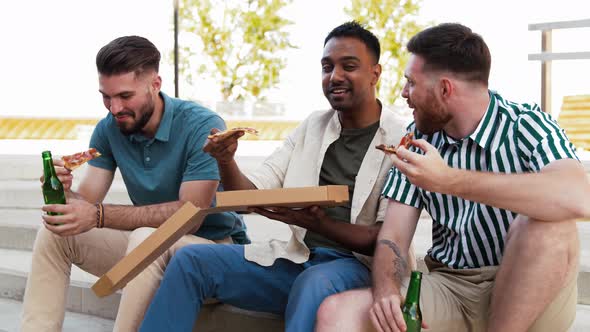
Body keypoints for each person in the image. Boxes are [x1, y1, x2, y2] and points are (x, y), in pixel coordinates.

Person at [314, 23, 590, 332]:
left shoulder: (527, 126)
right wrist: (387, 291)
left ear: (445, 89)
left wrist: (447, 180)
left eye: (411, 83)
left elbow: (579, 198)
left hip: (533, 293)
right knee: (336, 312)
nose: (404, 94)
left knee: (544, 224)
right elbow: (393, 236)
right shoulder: (417, 138)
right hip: (451, 288)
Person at [139, 21, 413, 332]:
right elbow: (248, 196)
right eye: (327, 67)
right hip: (297, 260)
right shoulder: (312, 126)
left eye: (348, 66)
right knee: (191, 261)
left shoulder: (400, 138)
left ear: (375, 73)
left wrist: (316, 223)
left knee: (313, 282)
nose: (334, 76)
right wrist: (226, 160)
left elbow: (384, 237)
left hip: (360, 269)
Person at [20, 36, 249, 332]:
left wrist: (99, 215)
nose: (114, 108)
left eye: (125, 96)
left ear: (155, 84)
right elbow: (85, 204)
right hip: (145, 254)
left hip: (212, 251)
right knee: (56, 232)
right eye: (106, 96)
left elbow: (189, 217)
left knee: (146, 238)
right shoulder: (109, 128)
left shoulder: (201, 125)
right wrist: (65, 192)